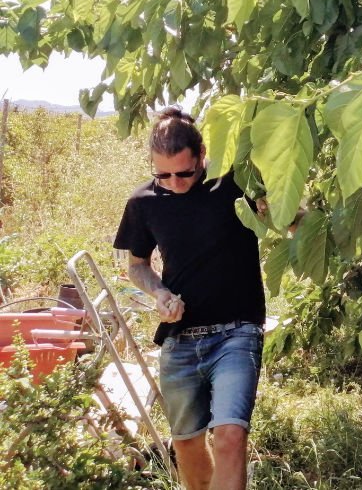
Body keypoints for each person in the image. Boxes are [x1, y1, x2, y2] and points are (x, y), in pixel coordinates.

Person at [114, 106, 265, 490]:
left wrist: (295, 217)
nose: (175, 182)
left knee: (230, 435)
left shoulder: (231, 181)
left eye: (185, 172)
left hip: (237, 331)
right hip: (180, 340)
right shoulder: (143, 203)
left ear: (202, 156)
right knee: (186, 445)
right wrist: (160, 293)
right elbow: (137, 266)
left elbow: (285, 216)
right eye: (163, 174)